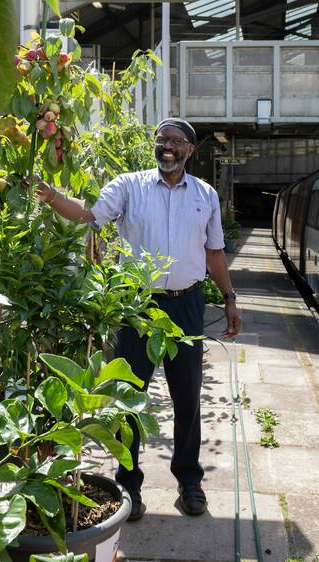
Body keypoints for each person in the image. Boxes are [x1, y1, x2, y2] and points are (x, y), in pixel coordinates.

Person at [33, 118, 242, 521]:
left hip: (187, 306)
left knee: (187, 397)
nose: (167, 147)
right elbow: (88, 215)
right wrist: (53, 196)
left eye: (176, 141)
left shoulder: (205, 194)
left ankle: (189, 482)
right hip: (135, 305)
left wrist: (229, 299)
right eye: (161, 139)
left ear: (190, 151)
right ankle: (129, 484)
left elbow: (215, 253)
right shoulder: (129, 185)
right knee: (127, 399)